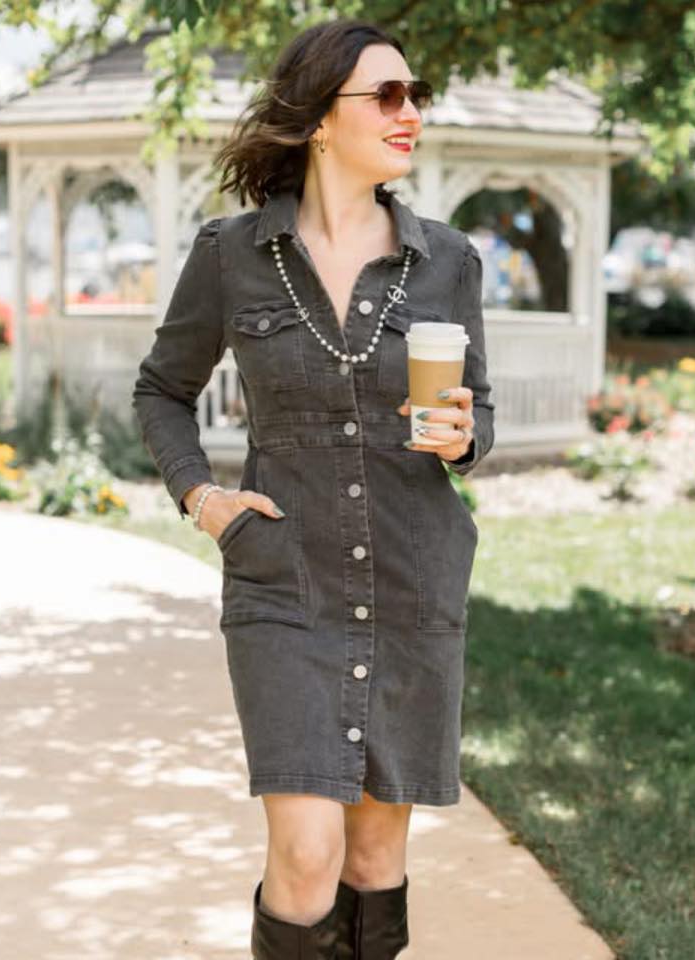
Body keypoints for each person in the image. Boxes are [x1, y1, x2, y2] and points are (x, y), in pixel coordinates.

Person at [131, 17, 494, 959]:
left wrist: (464, 437)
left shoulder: (448, 261)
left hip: (412, 579)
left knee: (373, 856)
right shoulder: (231, 253)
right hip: (284, 584)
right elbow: (162, 390)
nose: (411, 114)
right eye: (388, 96)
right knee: (305, 853)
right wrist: (202, 498)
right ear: (322, 119)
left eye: (417, 96)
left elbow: (477, 415)